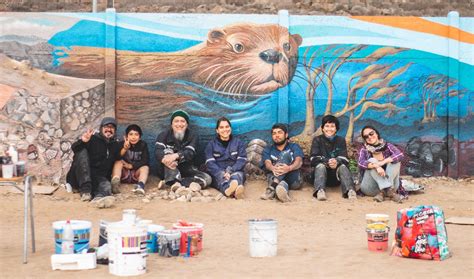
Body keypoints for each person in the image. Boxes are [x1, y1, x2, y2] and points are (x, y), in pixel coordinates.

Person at [66, 117, 122, 208]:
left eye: (112, 128)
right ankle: (86, 191)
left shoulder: (115, 145)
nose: (109, 130)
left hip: (97, 177)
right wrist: (83, 141)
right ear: (101, 128)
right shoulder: (92, 139)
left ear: (115, 131)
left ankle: (98, 199)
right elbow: (75, 148)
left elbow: (119, 158)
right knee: (82, 152)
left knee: (106, 186)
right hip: (79, 176)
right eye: (106, 127)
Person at [155, 110, 211, 190]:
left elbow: (190, 153)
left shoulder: (193, 136)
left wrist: (175, 156)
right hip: (167, 168)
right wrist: (166, 160)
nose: (179, 124)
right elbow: (158, 151)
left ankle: (173, 183)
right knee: (170, 166)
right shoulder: (163, 135)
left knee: (207, 178)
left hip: (186, 169)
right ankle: (174, 181)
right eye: (176, 121)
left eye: (183, 121)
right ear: (172, 124)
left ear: (187, 124)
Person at [310, 115, 357, 201]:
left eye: (332, 126)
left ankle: (350, 191)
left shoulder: (341, 140)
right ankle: (319, 191)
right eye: (327, 126)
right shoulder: (317, 140)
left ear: (336, 129)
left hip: (336, 177)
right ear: (322, 128)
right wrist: (327, 162)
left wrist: (337, 161)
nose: (329, 129)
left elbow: (345, 159)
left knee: (343, 166)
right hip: (319, 176)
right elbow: (313, 159)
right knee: (320, 166)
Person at [358, 125, 404, 203]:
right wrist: (376, 166)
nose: (369, 137)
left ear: (377, 134)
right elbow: (361, 163)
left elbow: (400, 155)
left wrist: (383, 162)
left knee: (395, 160)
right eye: (366, 136)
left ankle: (385, 191)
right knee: (372, 160)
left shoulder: (388, 146)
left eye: (371, 133)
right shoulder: (364, 150)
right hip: (371, 188)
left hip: (392, 186)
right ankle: (386, 189)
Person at [205, 117, 247, 199]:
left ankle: (232, 189)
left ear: (230, 128)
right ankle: (232, 190)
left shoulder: (238, 143)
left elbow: (241, 161)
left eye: (227, 127)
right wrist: (222, 172)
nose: (225, 129)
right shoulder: (211, 145)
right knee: (220, 177)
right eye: (221, 127)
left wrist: (230, 170)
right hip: (218, 172)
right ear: (217, 130)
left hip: (234, 170)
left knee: (237, 176)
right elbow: (210, 163)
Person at [260, 123, 304, 202]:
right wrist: (273, 168)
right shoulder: (268, 149)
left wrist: (289, 168)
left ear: (286, 135)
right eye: (274, 133)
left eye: (279, 132)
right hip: (274, 175)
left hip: (293, 179)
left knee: (285, 154)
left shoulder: (294, 146)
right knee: (280, 182)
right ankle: (281, 191)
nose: (277, 135)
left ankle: (272, 189)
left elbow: (299, 161)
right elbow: (267, 163)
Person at [111, 124, 150, 195]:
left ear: (140, 137)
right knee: (118, 162)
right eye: (131, 134)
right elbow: (116, 157)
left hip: (135, 174)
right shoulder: (121, 144)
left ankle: (140, 186)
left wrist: (131, 166)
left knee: (145, 167)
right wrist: (125, 148)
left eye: (136, 134)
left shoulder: (143, 145)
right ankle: (115, 182)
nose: (133, 137)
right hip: (123, 174)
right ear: (126, 136)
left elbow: (145, 160)